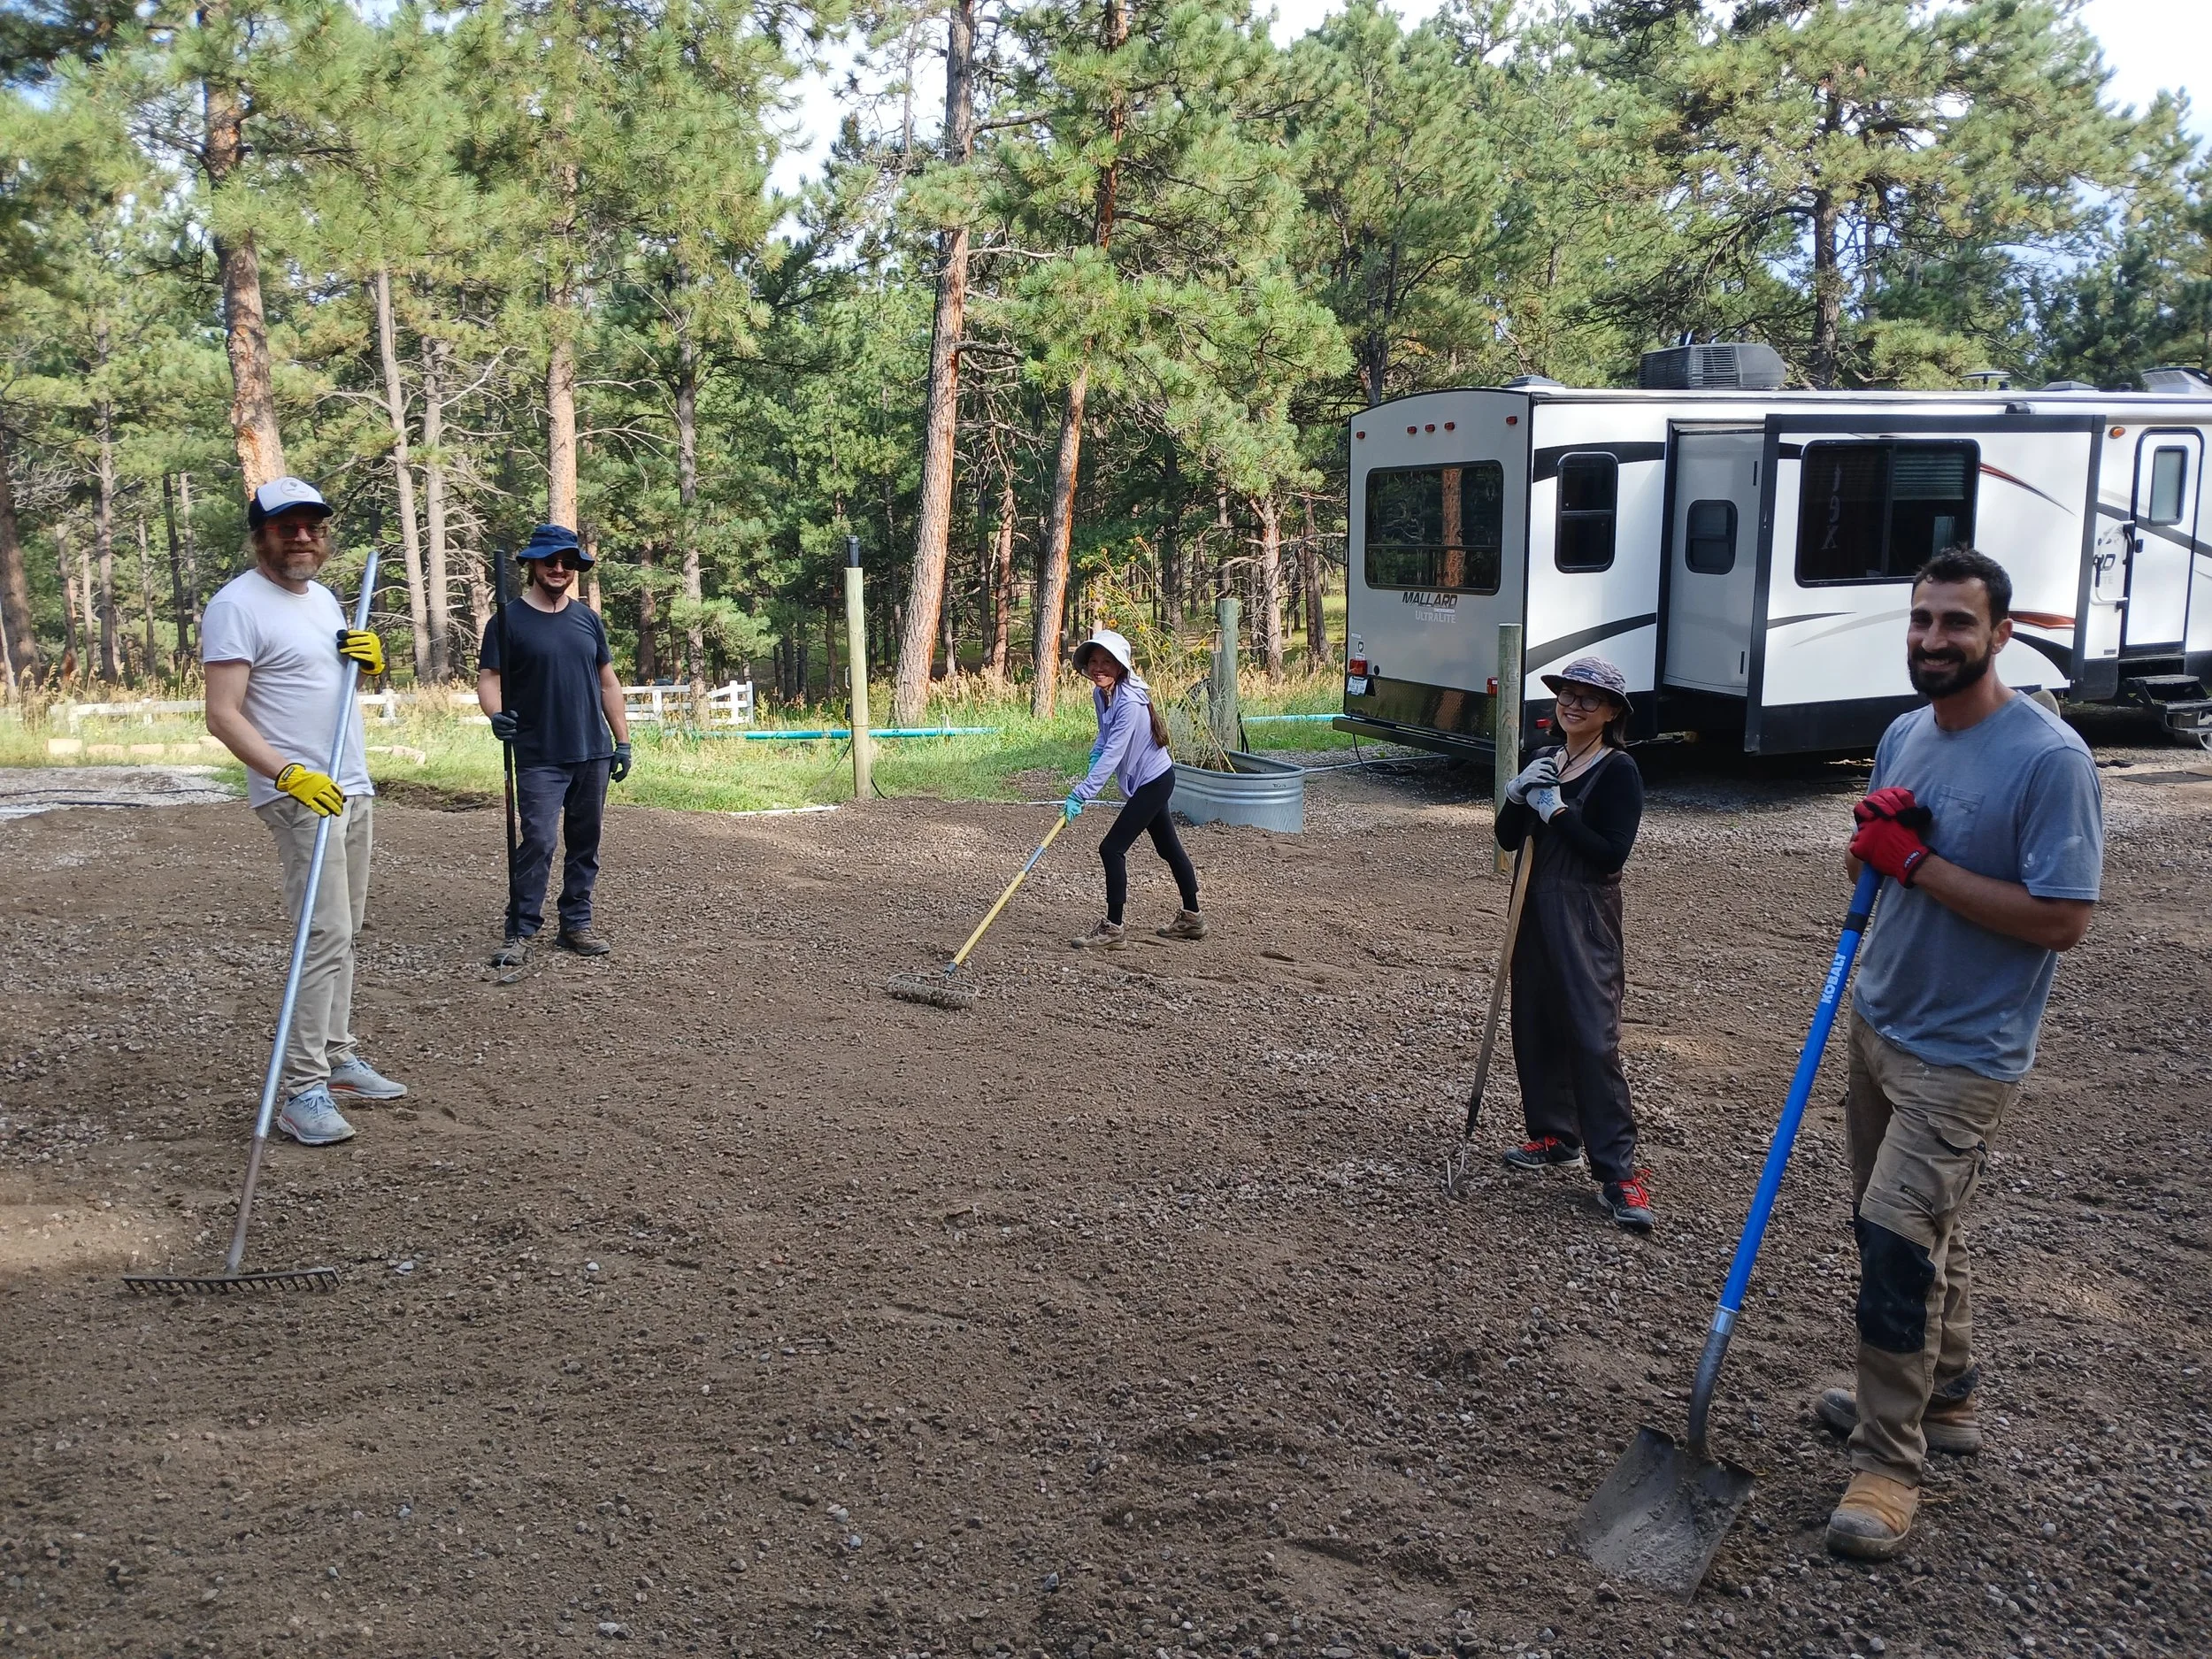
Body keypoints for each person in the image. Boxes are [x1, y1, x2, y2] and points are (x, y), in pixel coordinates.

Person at [1815, 548, 2102, 1561]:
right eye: (1921, 620)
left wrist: (1920, 864)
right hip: (1880, 1019)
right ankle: (1947, 1395)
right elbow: (1893, 861)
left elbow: (2062, 919)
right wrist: (1878, 846)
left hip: (1964, 1053)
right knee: (1897, 1225)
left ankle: (1890, 1466)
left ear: (2002, 635)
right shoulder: (1903, 733)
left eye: (1956, 624)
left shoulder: (2048, 758)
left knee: (1895, 1246)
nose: (1933, 640)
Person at [202, 476, 410, 1148]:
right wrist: (287, 774)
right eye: (286, 525)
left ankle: (338, 1055)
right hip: (299, 794)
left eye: (312, 524)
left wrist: (371, 662)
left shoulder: (323, 599)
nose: (301, 536)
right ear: (260, 533)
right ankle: (301, 1089)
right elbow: (222, 715)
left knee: (344, 932)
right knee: (320, 937)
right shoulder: (237, 606)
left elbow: (328, 681)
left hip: (351, 784)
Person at [1493, 654, 1651, 1233]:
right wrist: (1516, 794)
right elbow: (1509, 837)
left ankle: (1618, 1172)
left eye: (1589, 698)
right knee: (1535, 1022)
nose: (1574, 704)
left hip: (1584, 911)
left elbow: (1610, 852)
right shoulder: (1546, 758)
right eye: (1567, 694)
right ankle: (1556, 1135)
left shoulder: (1618, 771)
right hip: (1533, 904)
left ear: (1611, 712)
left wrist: (1556, 810)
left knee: (1591, 1033)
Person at [478, 524, 633, 964]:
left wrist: (622, 741)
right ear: (533, 565)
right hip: (537, 752)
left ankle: (576, 924)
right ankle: (521, 929)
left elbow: (607, 682)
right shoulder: (506, 621)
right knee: (540, 840)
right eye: (550, 561)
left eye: (567, 562)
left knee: (586, 841)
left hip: (592, 751)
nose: (559, 568)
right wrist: (496, 716)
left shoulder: (588, 619)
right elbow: (490, 680)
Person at [1062, 630, 1205, 949]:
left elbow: (1114, 753)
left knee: (1111, 848)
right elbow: (1105, 738)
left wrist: (1082, 793)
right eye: (1094, 662)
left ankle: (1113, 928)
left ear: (1121, 667)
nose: (1099, 668)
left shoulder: (1129, 701)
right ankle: (1192, 919)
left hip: (1154, 781)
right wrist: (1093, 755)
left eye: (1107, 662)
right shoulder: (1102, 695)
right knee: (1168, 848)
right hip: (1147, 781)